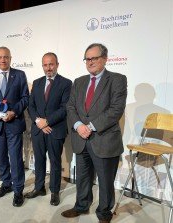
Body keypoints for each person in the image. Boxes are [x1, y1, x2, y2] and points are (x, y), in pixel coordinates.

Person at [61, 43, 127, 223]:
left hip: (103, 140)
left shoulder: (117, 79)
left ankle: (104, 213)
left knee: (105, 181)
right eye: (87, 59)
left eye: (94, 58)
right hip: (80, 139)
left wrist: (89, 126)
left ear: (105, 59)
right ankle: (81, 206)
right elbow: (71, 106)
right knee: (82, 178)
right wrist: (77, 125)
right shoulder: (79, 81)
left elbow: (115, 110)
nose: (90, 62)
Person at [0, 46, 29, 207]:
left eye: (6, 57)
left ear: (10, 58)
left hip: (14, 123)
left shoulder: (20, 75)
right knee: (1, 156)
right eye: (0, 57)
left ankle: (18, 190)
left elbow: (25, 98)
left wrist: (14, 112)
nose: (3, 60)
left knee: (15, 158)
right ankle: (6, 184)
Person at [25, 52, 72, 206]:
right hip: (38, 130)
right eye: (45, 65)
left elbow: (64, 108)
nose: (48, 68)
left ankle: (54, 192)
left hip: (55, 130)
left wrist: (47, 122)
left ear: (57, 64)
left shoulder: (66, 83)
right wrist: (39, 121)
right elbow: (31, 106)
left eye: (51, 64)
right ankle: (39, 188)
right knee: (39, 160)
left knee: (55, 162)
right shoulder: (37, 82)